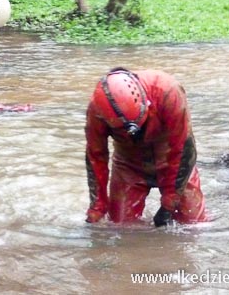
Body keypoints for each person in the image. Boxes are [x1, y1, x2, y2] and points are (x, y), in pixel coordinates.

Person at [84, 68, 207, 226]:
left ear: (146, 103)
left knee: (195, 227)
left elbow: (184, 149)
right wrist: (97, 208)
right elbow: (96, 157)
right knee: (119, 229)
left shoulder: (168, 91)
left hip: (172, 161)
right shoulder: (97, 111)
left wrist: (169, 204)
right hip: (128, 164)